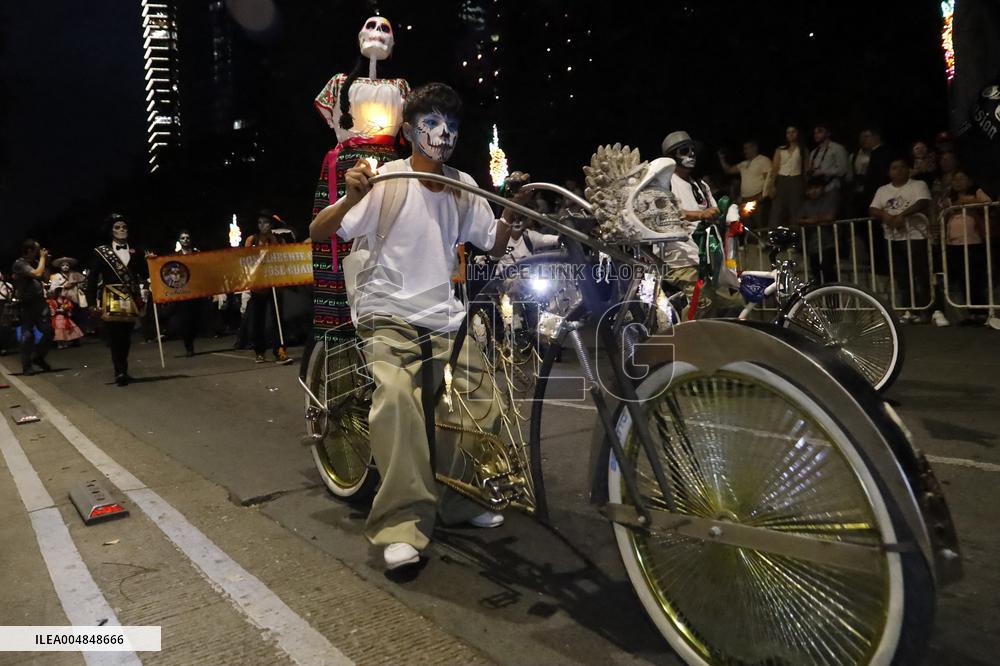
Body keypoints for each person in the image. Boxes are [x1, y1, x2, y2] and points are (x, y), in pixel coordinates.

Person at [310, 82, 521, 571]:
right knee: (398, 399)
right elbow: (321, 232)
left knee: (480, 401)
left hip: (444, 316)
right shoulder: (385, 179)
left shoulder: (463, 184)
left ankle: (462, 501)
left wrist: (512, 210)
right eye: (431, 124)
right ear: (408, 131)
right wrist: (348, 197)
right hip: (389, 313)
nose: (442, 135)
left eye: (451, 127)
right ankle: (403, 522)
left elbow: (491, 242)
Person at [310, 15, 410, 358]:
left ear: (393, 43)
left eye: (386, 29)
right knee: (340, 254)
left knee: (390, 251)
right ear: (359, 36)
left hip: (391, 172)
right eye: (372, 27)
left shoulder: (402, 88)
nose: (378, 34)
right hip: (345, 173)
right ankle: (341, 357)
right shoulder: (337, 84)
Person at [662, 130, 740, 317]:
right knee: (703, 302)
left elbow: (714, 213)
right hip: (680, 259)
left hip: (708, 257)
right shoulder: (665, 184)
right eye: (684, 151)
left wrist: (729, 212)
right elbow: (665, 213)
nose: (691, 154)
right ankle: (682, 340)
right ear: (672, 157)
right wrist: (700, 214)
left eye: (692, 150)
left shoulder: (701, 185)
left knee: (736, 304)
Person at [85, 213, 149, 386]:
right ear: (111, 231)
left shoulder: (137, 251)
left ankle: (124, 369)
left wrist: (152, 263)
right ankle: (119, 371)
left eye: (124, 227)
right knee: (115, 335)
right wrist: (91, 303)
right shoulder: (102, 252)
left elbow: (144, 274)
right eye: (117, 227)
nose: (122, 230)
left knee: (126, 337)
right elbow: (92, 279)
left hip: (130, 297)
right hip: (111, 297)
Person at [869, 159, 932, 322]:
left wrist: (902, 215)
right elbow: (873, 208)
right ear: (889, 172)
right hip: (892, 237)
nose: (899, 171)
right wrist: (886, 215)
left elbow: (923, 201)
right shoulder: (883, 190)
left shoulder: (918, 184)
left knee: (920, 273)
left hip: (915, 235)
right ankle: (909, 310)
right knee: (901, 275)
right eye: (894, 168)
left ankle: (929, 309)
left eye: (903, 167)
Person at [943, 170, 993, 321]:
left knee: (975, 277)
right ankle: (971, 313)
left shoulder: (976, 192)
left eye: (961, 178)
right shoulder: (950, 198)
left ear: (970, 181)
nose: (957, 182)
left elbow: (987, 202)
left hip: (973, 242)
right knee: (961, 279)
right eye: (955, 179)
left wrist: (964, 202)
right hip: (954, 243)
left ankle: (982, 312)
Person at [246, 212, 294, 364]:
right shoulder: (251, 240)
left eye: (265, 223)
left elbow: (285, 259)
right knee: (258, 320)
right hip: (259, 286)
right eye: (260, 222)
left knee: (278, 320)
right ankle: (259, 351)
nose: (262, 226)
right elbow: (245, 260)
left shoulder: (279, 240)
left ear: (271, 225)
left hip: (276, 285)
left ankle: (280, 351)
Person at [11, 239, 54, 375]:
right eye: (37, 249)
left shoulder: (36, 263)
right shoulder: (20, 264)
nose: (40, 252)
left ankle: (39, 357)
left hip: (40, 302)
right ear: (29, 250)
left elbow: (45, 278)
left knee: (49, 332)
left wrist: (45, 263)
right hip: (26, 304)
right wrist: (42, 259)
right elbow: (37, 274)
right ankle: (26, 365)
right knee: (27, 335)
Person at [718, 139, 772, 225]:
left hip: (758, 199)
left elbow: (769, 179)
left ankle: (761, 238)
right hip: (745, 200)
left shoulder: (763, 160)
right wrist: (722, 159)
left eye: (747, 148)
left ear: (754, 148)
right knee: (747, 226)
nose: (745, 151)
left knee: (760, 224)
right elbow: (728, 170)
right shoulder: (743, 164)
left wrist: (764, 195)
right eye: (744, 149)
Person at [797, 177, 839, 284]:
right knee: (816, 271)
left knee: (827, 269)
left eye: (816, 188)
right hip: (813, 246)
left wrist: (812, 220)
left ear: (822, 189)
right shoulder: (806, 204)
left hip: (828, 243)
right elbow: (798, 220)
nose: (813, 191)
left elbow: (830, 216)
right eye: (810, 189)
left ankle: (834, 297)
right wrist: (813, 221)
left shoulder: (828, 200)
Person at [767, 126, 805, 227]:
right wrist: (771, 185)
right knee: (777, 211)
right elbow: (775, 168)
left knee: (795, 210)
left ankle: (796, 238)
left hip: (796, 180)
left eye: (793, 132)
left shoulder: (802, 149)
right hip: (782, 180)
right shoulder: (780, 150)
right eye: (788, 132)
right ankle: (774, 237)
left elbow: (806, 167)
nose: (791, 134)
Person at [173, 230, 203, 357]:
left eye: (187, 237)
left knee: (196, 319)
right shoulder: (175, 256)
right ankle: (188, 345)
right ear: (179, 240)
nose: (185, 240)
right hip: (183, 291)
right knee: (185, 320)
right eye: (183, 238)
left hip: (196, 290)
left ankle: (193, 338)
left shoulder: (198, 254)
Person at [807, 123, 849, 211]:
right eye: (815, 133)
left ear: (828, 133)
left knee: (829, 216)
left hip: (831, 187)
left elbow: (843, 170)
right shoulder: (814, 152)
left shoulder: (837, 148)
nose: (817, 135)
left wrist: (824, 172)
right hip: (816, 190)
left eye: (820, 132)